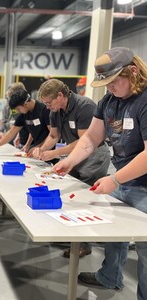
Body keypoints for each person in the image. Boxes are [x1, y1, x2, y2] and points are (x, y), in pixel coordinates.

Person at [53, 47, 147, 300]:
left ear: (134, 72)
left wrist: (114, 179)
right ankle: (110, 277)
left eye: (114, 82)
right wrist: (69, 162)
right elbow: (92, 138)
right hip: (125, 181)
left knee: (145, 249)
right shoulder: (108, 102)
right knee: (113, 233)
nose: (109, 88)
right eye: (105, 84)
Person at [33, 78, 111, 258]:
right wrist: (42, 149)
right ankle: (71, 235)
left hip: (94, 156)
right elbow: (53, 136)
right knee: (69, 196)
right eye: (44, 103)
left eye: (48, 102)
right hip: (74, 156)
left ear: (60, 95)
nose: (46, 107)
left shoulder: (85, 107)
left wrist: (54, 155)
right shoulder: (55, 110)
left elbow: (85, 141)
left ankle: (84, 244)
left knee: (84, 199)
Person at [0, 86, 50, 157]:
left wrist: (40, 147)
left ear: (25, 104)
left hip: (49, 150)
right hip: (38, 149)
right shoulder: (24, 114)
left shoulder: (44, 110)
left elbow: (52, 135)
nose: (17, 111)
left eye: (18, 108)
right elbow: (11, 133)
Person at [0, 82, 29, 148]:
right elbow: (4, 119)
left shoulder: (26, 108)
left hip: (22, 139)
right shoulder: (7, 106)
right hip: (10, 135)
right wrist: (1, 131)